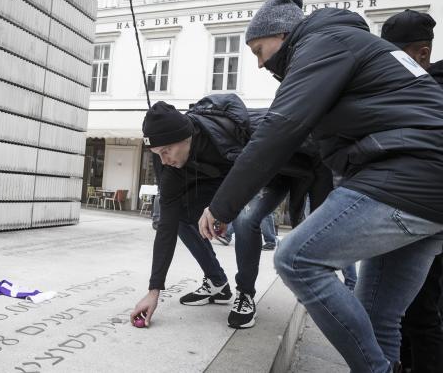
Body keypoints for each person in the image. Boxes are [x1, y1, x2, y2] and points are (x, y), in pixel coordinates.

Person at [197, 0, 443, 373]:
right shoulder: (345, 44)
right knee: (378, 318)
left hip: (412, 171)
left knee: (296, 258)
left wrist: (222, 205)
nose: (261, 65)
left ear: (282, 36)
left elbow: (281, 128)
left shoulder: (323, 43)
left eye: (259, 51)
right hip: (423, 184)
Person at [130, 95, 331, 330]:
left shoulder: (228, 133)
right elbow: (166, 226)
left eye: (167, 151)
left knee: (246, 218)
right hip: (224, 180)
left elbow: (298, 146)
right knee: (181, 219)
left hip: (269, 172)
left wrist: (222, 210)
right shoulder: (169, 165)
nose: (164, 160)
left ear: (187, 137)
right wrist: (154, 290)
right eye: (157, 154)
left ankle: (245, 293)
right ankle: (216, 282)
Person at [381, 9, 443, 373]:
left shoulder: (430, 90)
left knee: (422, 312)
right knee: (407, 310)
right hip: (411, 209)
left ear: (420, 54)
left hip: (429, 213)